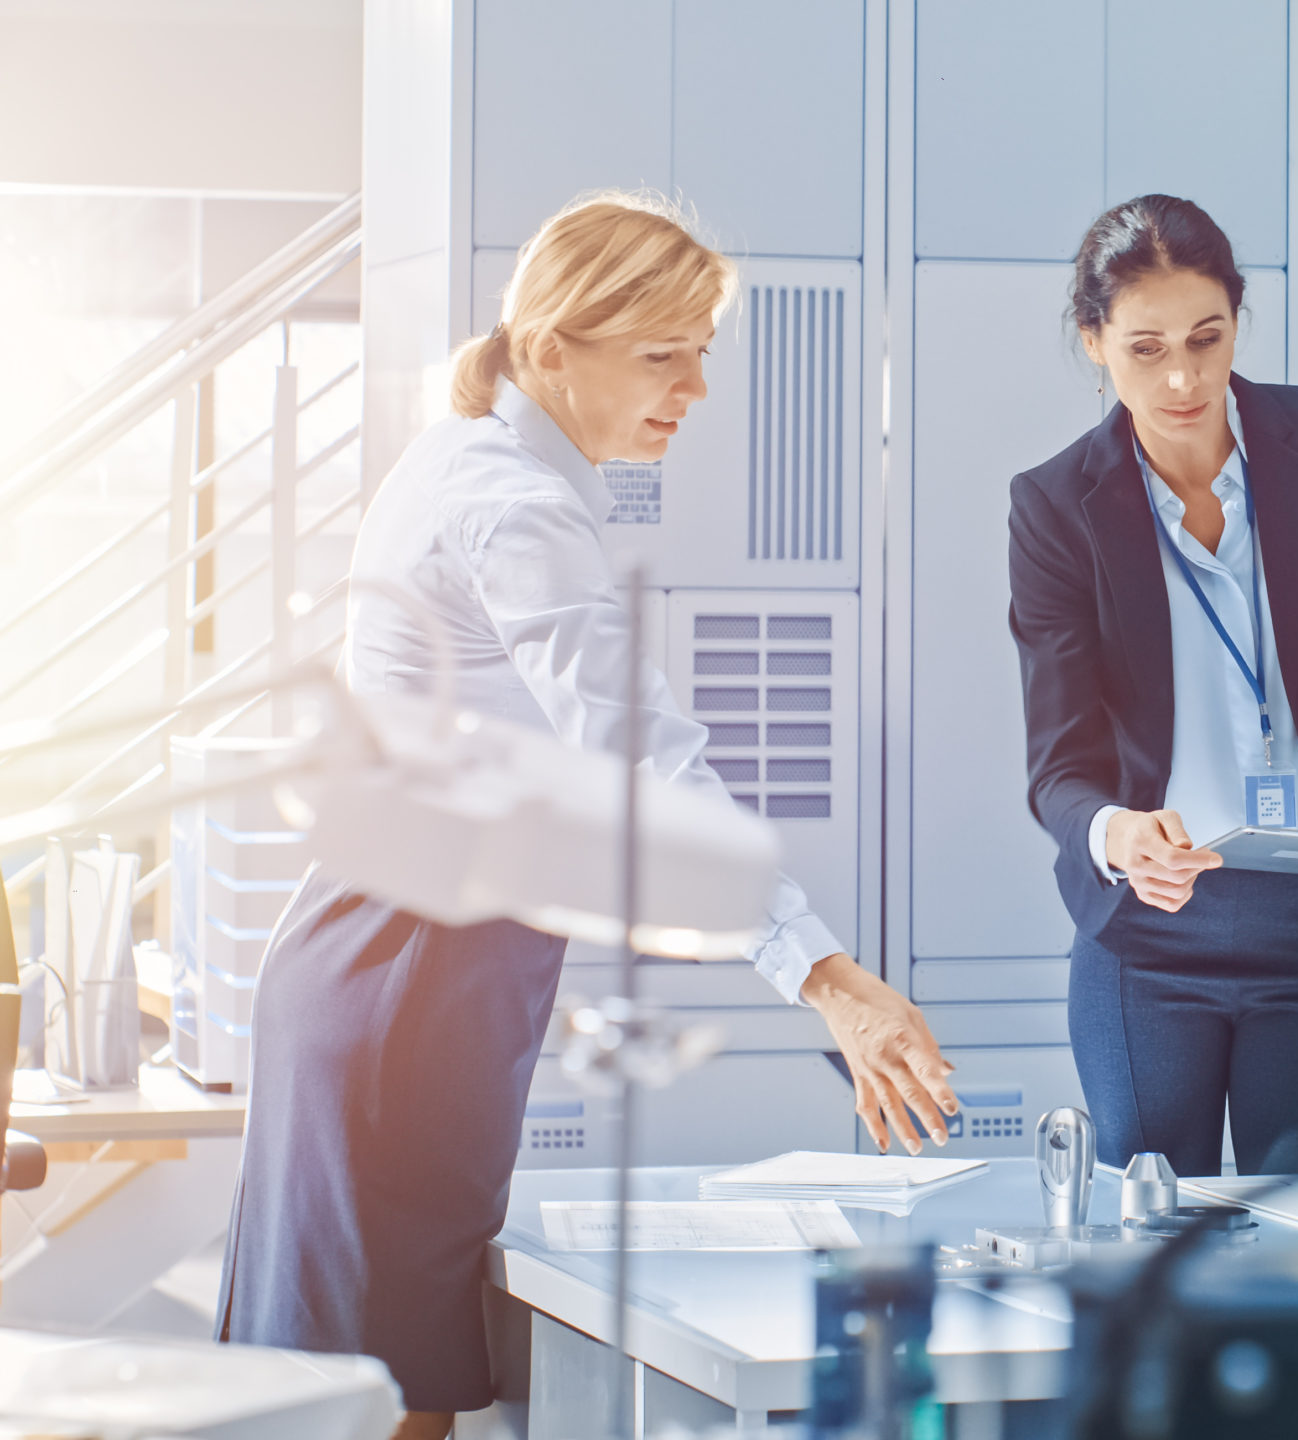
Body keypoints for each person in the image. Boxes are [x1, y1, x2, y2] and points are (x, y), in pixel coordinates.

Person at [216, 194, 958, 1440]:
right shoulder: (516, 503)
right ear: (553, 348)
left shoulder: (472, 458)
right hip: (409, 977)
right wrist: (824, 976)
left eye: (701, 351)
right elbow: (641, 762)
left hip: (401, 966)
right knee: (387, 1406)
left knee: (351, 1393)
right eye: (662, 354)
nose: (698, 388)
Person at [1008, 194, 1298, 1178]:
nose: (1182, 377)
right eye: (1145, 347)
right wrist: (1116, 834)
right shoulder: (1056, 507)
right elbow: (1060, 764)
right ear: (1094, 342)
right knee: (1153, 1251)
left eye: (1207, 338)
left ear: (1239, 319)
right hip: (1148, 938)